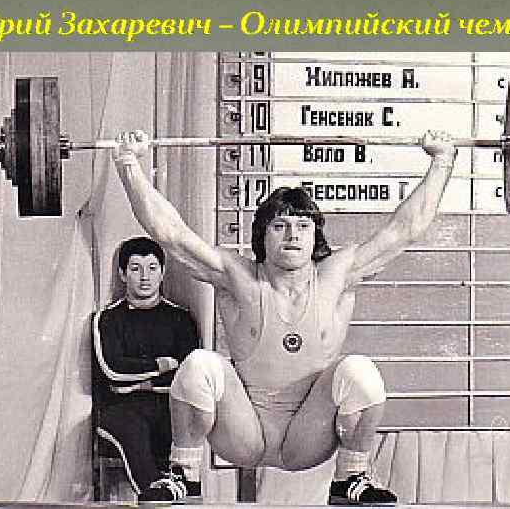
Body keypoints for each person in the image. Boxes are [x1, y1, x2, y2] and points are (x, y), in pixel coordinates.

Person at [112, 130, 457, 504]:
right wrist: (128, 162)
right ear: (262, 236)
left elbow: (404, 230)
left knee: (360, 371)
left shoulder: (337, 276)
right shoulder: (238, 277)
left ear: (314, 236)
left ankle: (350, 476)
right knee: (199, 365)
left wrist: (442, 162)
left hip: (308, 435)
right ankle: (185, 474)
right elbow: (171, 234)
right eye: (280, 226)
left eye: (302, 226)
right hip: (243, 431)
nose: (292, 235)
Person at [92, 236, 200, 502]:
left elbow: (188, 373)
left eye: (152, 268)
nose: (144, 277)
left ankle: (184, 489)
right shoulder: (108, 318)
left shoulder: (180, 318)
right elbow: (112, 371)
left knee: (193, 419)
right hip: (122, 410)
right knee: (130, 425)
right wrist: (160, 364)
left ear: (162, 273)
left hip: (169, 406)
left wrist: (140, 381)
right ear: (122, 274)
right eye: (135, 268)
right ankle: (156, 492)